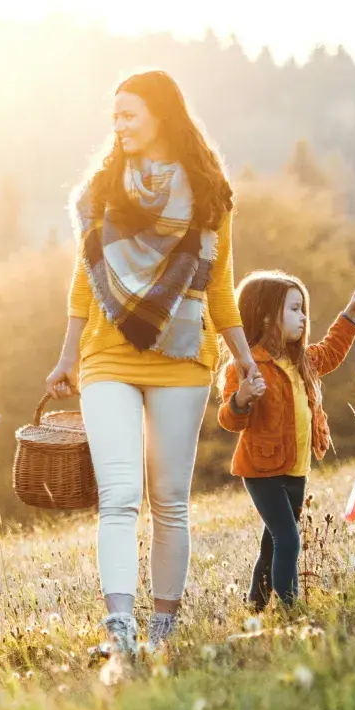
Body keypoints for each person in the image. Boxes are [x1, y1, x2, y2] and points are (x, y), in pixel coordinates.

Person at [44, 70, 264, 655]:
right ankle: (119, 629)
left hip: (183, 357)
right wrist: (67, 357)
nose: (118, 126)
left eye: (129, 115)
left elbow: (220, 288)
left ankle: (164, 631)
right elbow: (84, 282)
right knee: (119, 496)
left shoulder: (208, 193)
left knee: (169, 501)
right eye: (113, 116)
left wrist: (245, 361)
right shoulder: (101, 190)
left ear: (161, 115)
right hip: (107, 357)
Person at [218, 273, 355, 609]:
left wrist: (349, 313)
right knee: (288, 540)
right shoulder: (248, 366)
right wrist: (241, 399)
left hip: (295, 470)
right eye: (294, 309)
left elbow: (331, 351)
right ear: (266, 316)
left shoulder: (300, 360)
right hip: (262, 471)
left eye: (303, 309)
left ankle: (255, 606)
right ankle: (292, 610)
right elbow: (229, 420)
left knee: (273, 544)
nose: (304, 317)